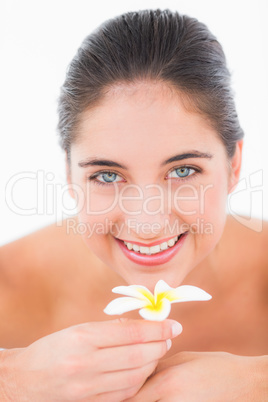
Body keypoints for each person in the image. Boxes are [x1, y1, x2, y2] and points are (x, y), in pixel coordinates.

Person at [0, 8, 267, 401]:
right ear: (71, 174)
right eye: (107, 176)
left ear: (234, 165)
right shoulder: (8, 284)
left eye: (183, 171)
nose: (147, 224)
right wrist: (10, 379)